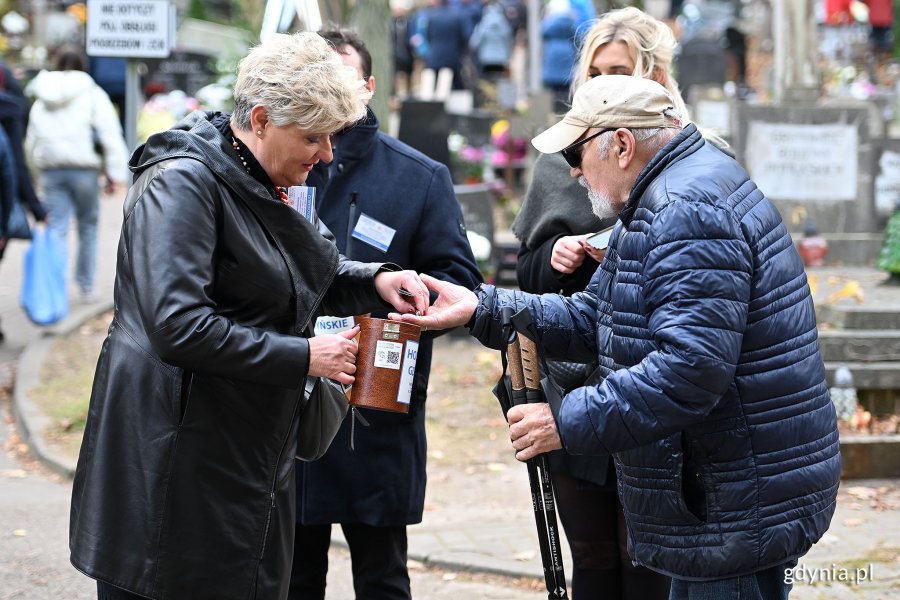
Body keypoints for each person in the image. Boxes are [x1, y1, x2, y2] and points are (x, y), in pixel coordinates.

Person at [390, 74, 841, 599]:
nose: (573, 171)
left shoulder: (683, 208)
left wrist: (565, 422)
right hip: (731, 494)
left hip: (734, 502)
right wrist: (482, 307)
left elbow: (690, 370)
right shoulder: (668, 192)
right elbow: (597, 316)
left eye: (577, 153)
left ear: (623, 144)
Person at [68, 32, 432, 600]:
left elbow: (293, 274)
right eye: (314, 137)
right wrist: (306, 357)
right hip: (175, 464)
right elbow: (178, 325)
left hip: (238, 456)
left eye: (332, 137)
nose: (328, 155)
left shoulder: (253, 174)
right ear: (261, 120)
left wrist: (377, 280)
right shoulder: (183, 183)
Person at [290, 27, 482, 600]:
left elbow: (461, 286)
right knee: (290, 578)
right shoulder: (276, 167)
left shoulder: (419, 177)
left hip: (375, 409)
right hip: (288, 396)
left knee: (381, 577)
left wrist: (400, 301)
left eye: (341, 78)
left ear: (369, 86)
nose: (328, 92)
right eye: (313, 79)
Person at [511, 7, 692, 598]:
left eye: (617, 69)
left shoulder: (686, 160)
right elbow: (528, 272)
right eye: (593, 71)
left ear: (652, 77)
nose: (601, 81)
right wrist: (558, 252)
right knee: (588, 554)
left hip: (645, 384)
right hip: (572, 379)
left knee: (643, 557)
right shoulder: (559, 155)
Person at [24, 46, 129, 303]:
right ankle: (86, 285)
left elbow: (31, 140)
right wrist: (116, 174)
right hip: (84, 170)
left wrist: (36, 172)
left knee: (57, 227)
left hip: (51, 170)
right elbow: (109, 133)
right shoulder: (93, 94)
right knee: (88, 227)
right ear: (83, 65)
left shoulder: (42, 96)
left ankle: (56, 288)